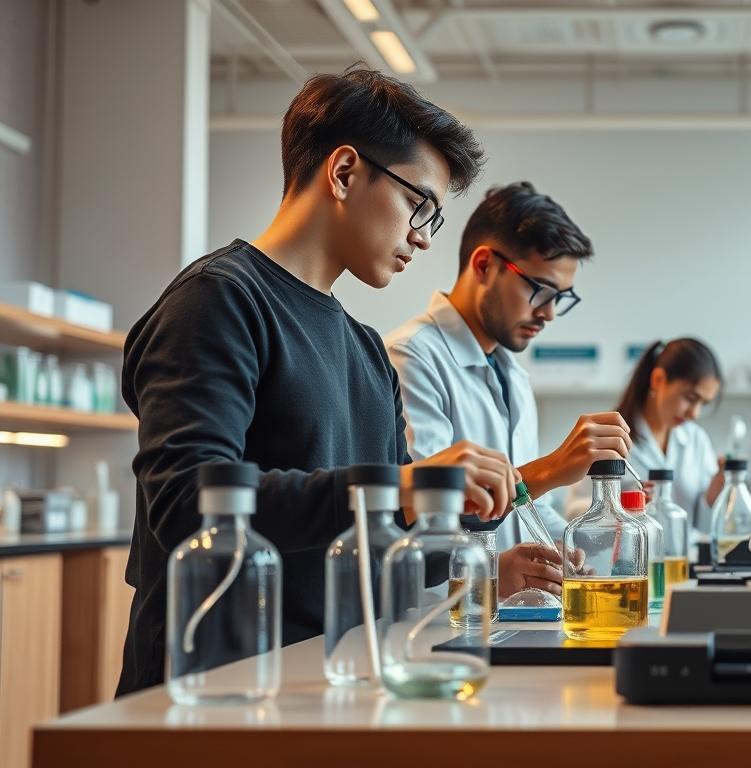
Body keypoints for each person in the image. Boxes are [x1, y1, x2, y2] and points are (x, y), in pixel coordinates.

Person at [115, 68, 524, 696]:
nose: (421, 235)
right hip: (214, 695)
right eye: (420, 205)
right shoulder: (219, 302)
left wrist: (476, 550)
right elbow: (187, 502)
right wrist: (400, 487)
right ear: (342, 172)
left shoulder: (366, 349)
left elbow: (390, 538)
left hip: (330, 682)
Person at [387, 181, 632, 599]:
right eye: (540, 290)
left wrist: (578, 547)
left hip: (509, 618)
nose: (550, 313)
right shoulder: (410, 357)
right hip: (435, 626)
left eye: (562, 297)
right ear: (484, 265)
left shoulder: (512, 374)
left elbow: (530, 512)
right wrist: (552, 468)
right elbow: (421, 520)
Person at [565, 338, 724, 533]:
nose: (695, 413)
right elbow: (573, 513)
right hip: (629, 560)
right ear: (658, 380)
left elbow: (704, 526)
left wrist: (716, 492)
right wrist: (618, 506)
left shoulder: (697, 440)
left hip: (682, 561)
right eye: (690, 398)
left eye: (703, 404)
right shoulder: (608, 434)